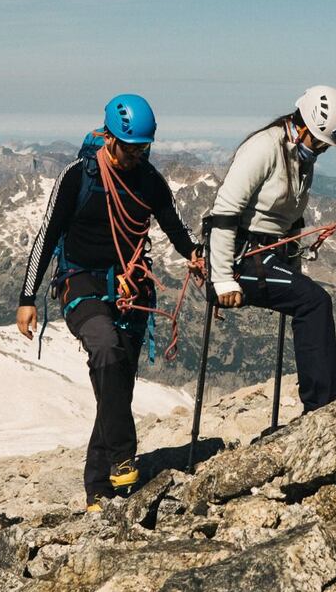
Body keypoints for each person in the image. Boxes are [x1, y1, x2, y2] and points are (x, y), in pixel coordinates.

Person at [16, 94, 203, 511]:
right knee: (104, 346)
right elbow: (46, 236)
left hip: (130, 287)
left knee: (115, 381)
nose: (138, 155)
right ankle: (123, 453)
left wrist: (195, 253)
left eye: (144, 148)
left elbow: (174, 223)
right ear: (110, 138)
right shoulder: (77, 176)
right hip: (79, 281)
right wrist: (27, 297)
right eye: (131, 147)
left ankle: (98, 489)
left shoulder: (149, 180)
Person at [205, 85, 336, 412]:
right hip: (243, 258)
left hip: (266, 256)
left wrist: (293, 270)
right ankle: (323, 405)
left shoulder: (300, 155)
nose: (322, 151)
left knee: (312, 300)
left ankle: (323, 399)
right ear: (304, 126)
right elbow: (225, 210)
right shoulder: (265, 147)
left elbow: (292, 221)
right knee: (314, 303)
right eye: (320, 143)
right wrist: (222, 278)